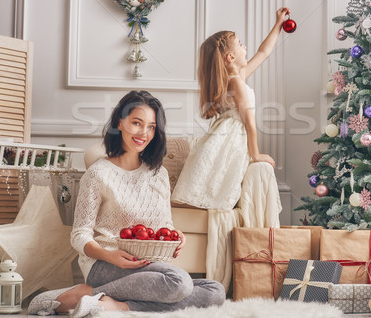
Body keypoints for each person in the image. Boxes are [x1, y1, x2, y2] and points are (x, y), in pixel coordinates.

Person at [28, 91, 225, 316]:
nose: (144, 133)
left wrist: (176, 234)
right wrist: (109, 255)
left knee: (215, 291)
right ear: (119, 123)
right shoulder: (98, 174)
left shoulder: (157, 174)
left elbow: (164, 224)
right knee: (179, 282)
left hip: (149, 264)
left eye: (151, 126)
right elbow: (79, 235)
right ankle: (91, 288)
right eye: (136, 123)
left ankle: (105, 300)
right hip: (105, 264)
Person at [171, 7, 289, 211]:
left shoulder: (234, 79)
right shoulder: (236, 82)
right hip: (231, 138)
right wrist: (256, 154)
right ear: (230, 57)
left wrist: (278, 25)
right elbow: (249, 122)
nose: (245, 47)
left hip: (225, 136)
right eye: (241, 45)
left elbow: (264, 52)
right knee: (217, 191)